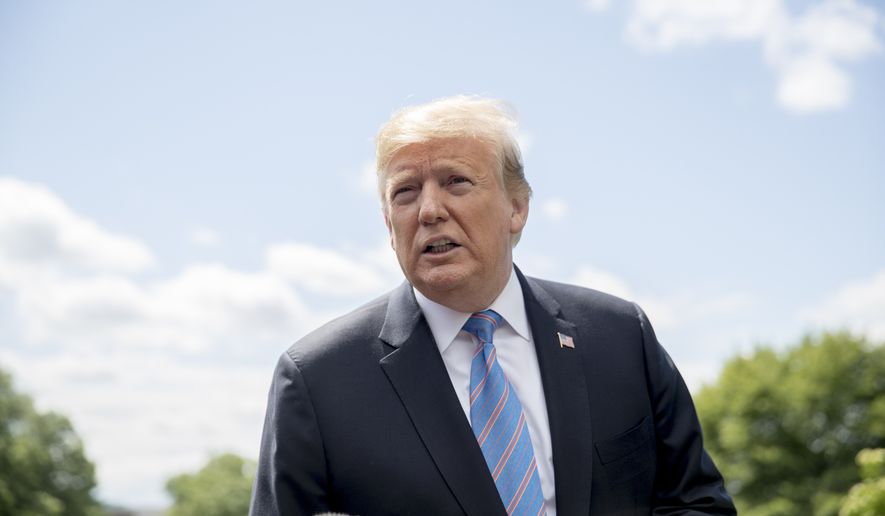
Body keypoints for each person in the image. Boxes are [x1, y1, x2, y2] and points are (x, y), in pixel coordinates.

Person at [250, 96, 736, 515]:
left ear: (516, 208)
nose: (429, 210)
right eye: (406, 192)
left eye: (456, 181)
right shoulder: (317, 380)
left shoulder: (621, 336)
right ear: (388, 224)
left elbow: (696, 502)